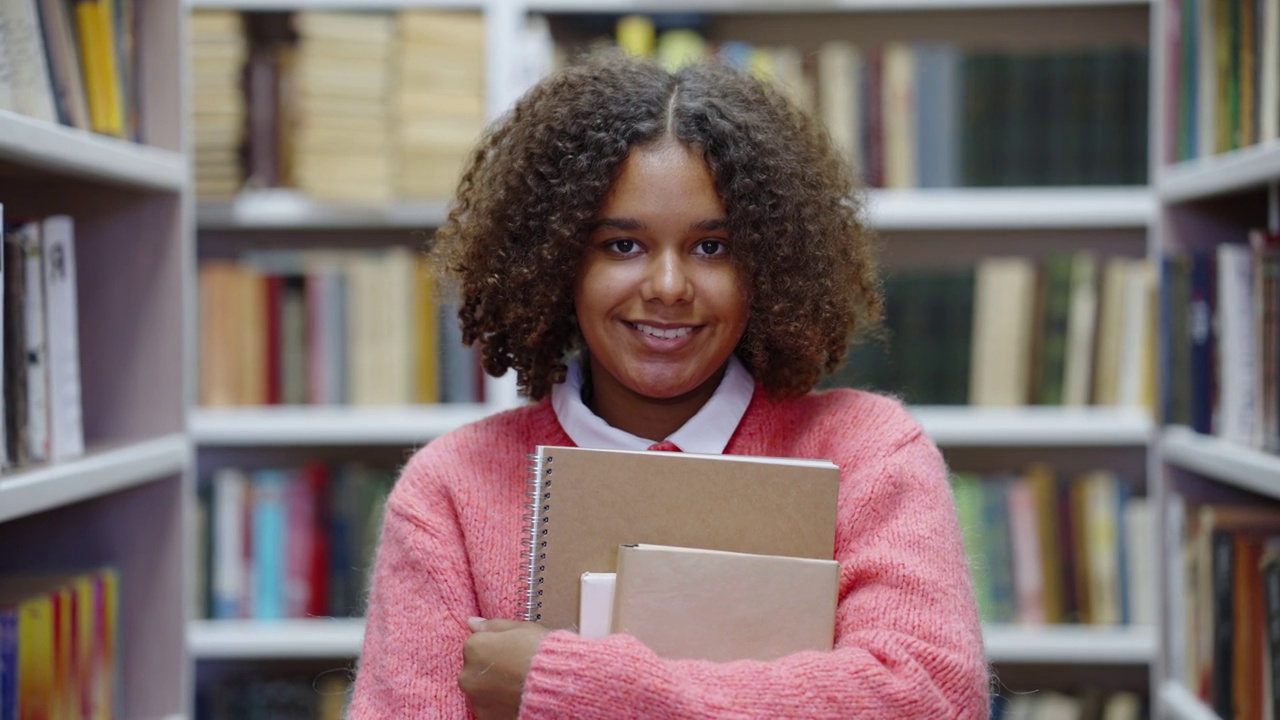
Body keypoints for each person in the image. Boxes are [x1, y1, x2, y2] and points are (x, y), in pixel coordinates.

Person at [348, 50, 988, 719]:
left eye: (711, 247)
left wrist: (568, 685)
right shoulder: (451, 490)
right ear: (559, 260)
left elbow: (927, 699)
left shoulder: (867, 456)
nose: (669, 288)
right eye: (622, 245)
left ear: (767, 264)